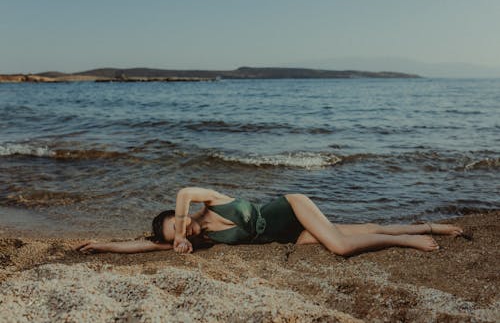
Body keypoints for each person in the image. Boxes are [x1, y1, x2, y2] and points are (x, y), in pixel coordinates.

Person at [75, 187, 464, 256]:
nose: (181, 233)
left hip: (290, 208)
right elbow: (146, 245)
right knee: (360, 231)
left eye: (176, 227)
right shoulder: (204, 241)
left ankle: (407, 241)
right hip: (289, 239)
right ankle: (427, 227)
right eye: (175, 235)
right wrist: (103, 245)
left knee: (342, 247)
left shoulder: (209, 205)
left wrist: (179, 223)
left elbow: (184, 191)